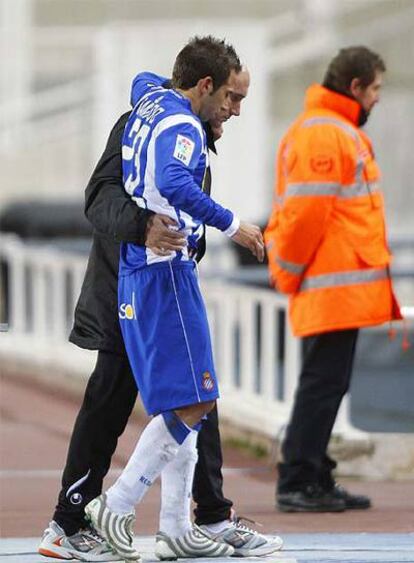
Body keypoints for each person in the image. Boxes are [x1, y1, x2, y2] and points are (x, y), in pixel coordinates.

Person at [39, 61, 282, 561]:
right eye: (232, 99)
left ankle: (203, 518)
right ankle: (71, 520)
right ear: (205, 87)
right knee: (114, 402)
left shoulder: (188, 129)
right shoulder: (143, 123)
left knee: (195, 394)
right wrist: (144, 225)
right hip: (125, 288)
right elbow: (98, 198)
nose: (235, 112)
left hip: (161, 280)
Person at [264, 46, 402, 513]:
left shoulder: (331, 130)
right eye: (376, 89)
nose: (378, 99)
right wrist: (288, 271)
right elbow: (305, 216)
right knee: (322, 384)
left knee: (327, 383)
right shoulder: (326, 134)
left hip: (337, 286)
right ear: (355, 87)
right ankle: (299, 479)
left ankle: (315, 474)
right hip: (329, 285)